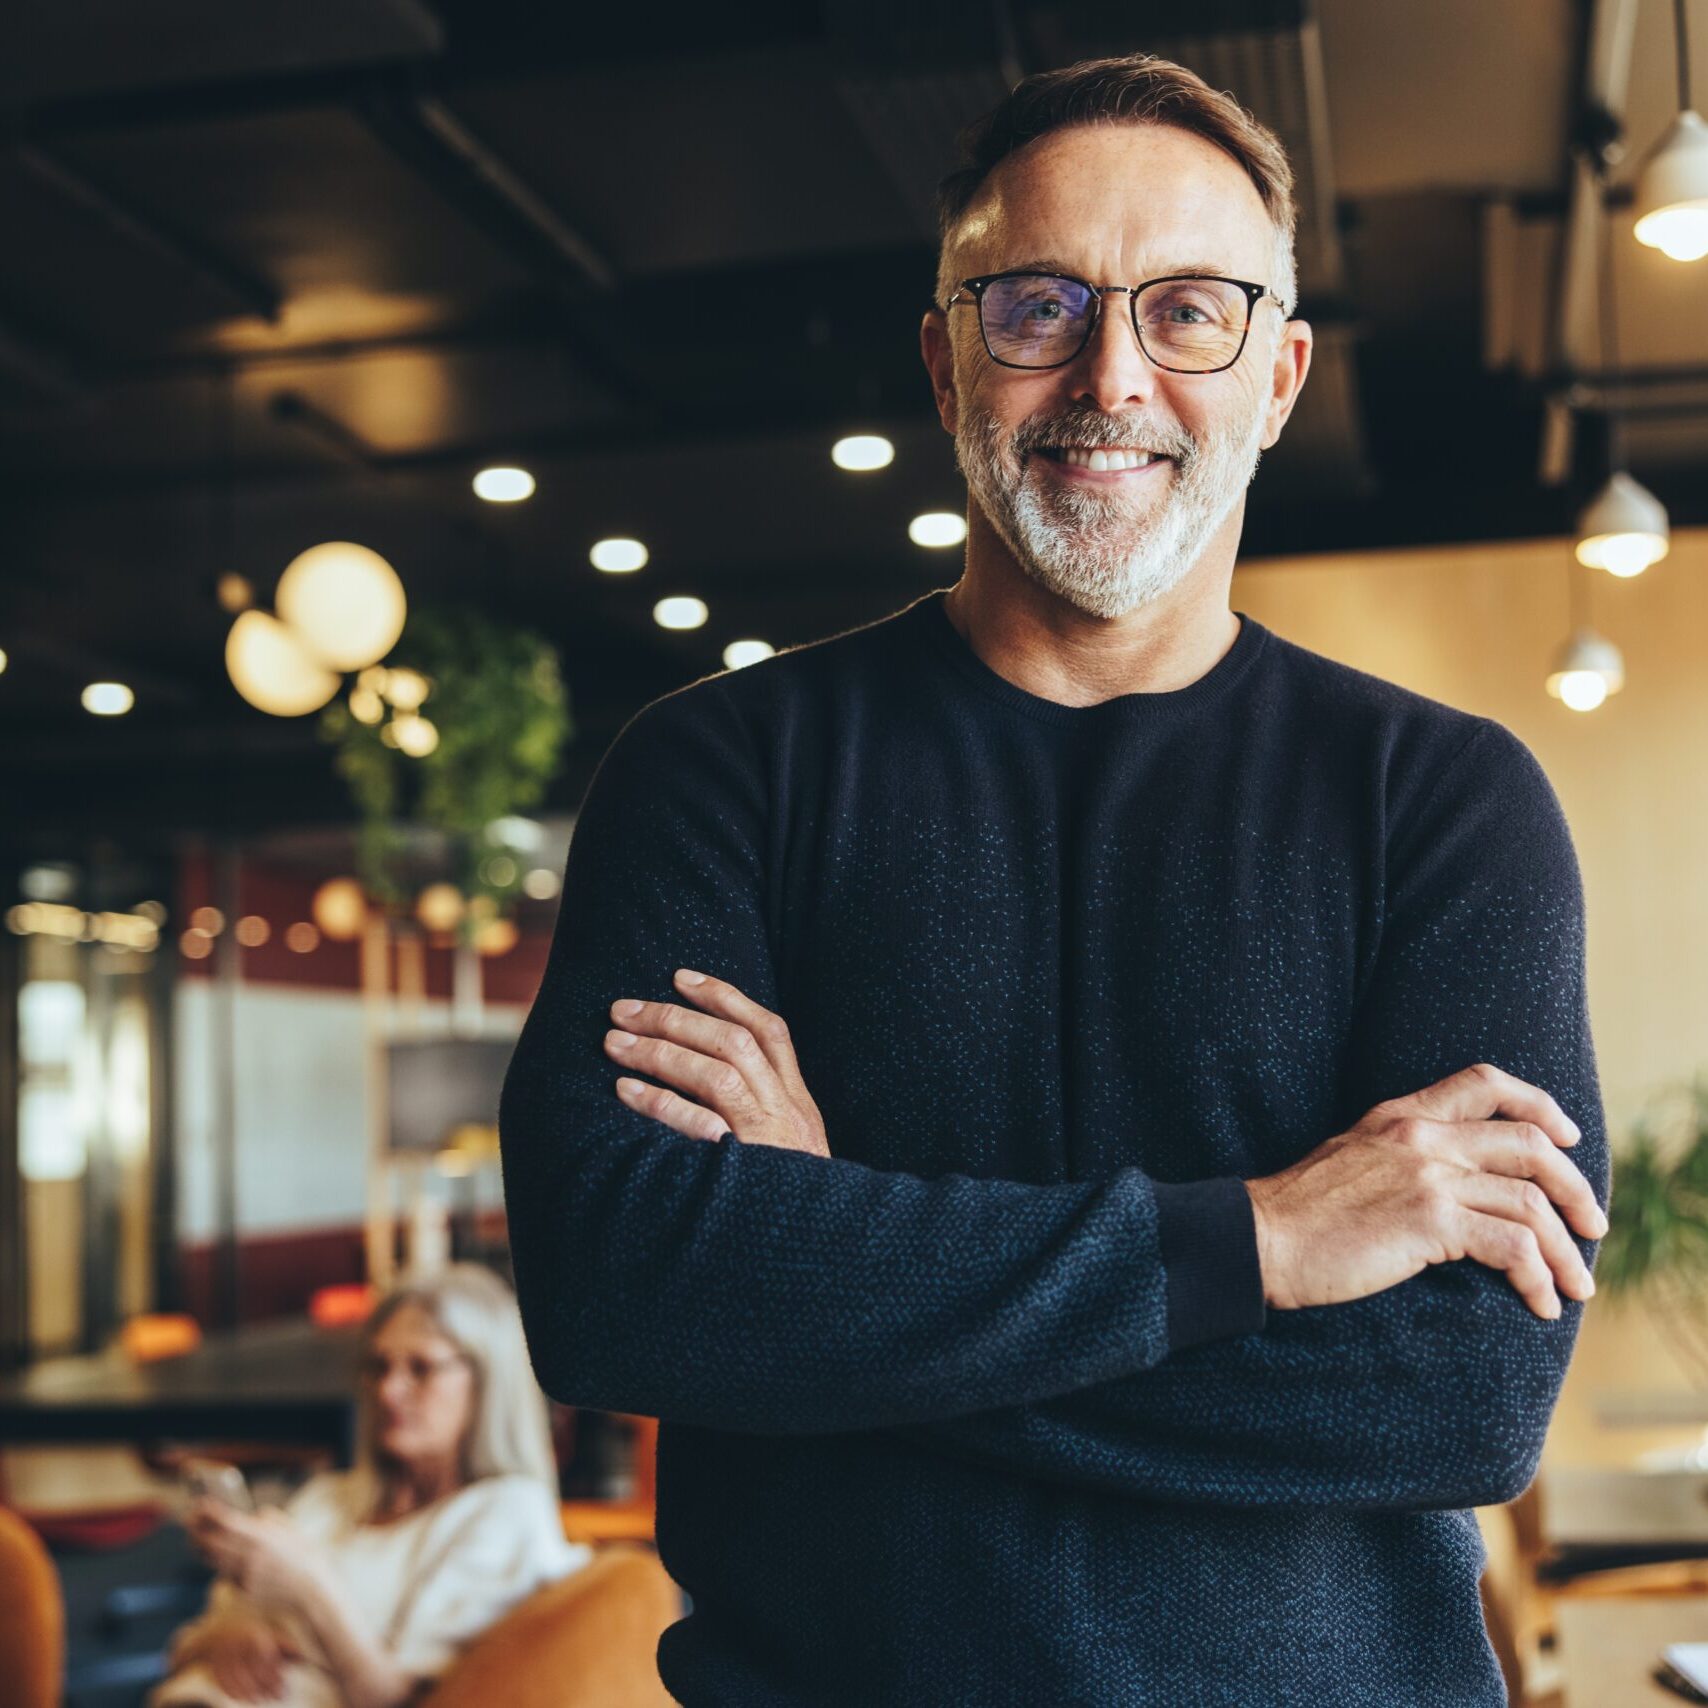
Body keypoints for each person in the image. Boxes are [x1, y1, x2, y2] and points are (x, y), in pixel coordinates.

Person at [497, 52, 1610, 1707]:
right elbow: (616, 1288)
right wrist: (1266, 1239)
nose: (1109, 377)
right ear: (945, 362)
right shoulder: (718, 767)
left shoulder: (1440, 799)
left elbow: (1459, 1400)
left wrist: (837, 1262)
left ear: (1279, 373)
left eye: (1186, 311)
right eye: (1035, 306)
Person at [149, 1264, 592, 1708]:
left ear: (488, 1383)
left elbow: (406, 1701)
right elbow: (182, 1646)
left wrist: (309, 1589)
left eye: (420, 1369)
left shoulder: (505, 1513)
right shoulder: (327, 1498)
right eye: (379, 1367)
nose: (388, 1391)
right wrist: (228, 1633)